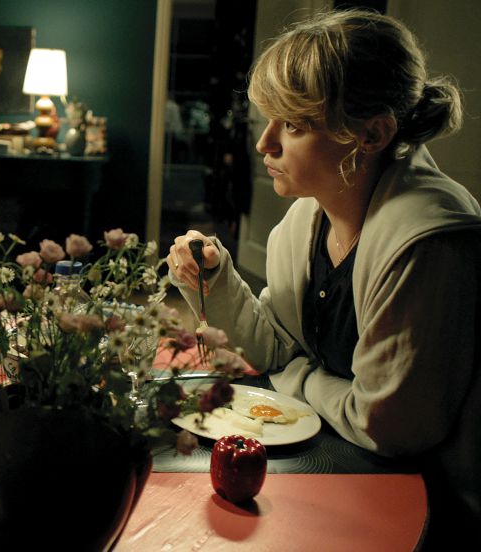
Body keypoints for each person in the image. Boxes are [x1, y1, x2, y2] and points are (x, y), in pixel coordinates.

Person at [167, 9, 481, 530]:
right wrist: (215, 279)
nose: (265, 143)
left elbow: (390, 427)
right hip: (341, 469)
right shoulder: (306, 220)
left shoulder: (429, 243)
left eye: (293, 125)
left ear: (372, 133)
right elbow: (274, 348)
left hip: (432, 503)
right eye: (269, 120)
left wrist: (296, 377)